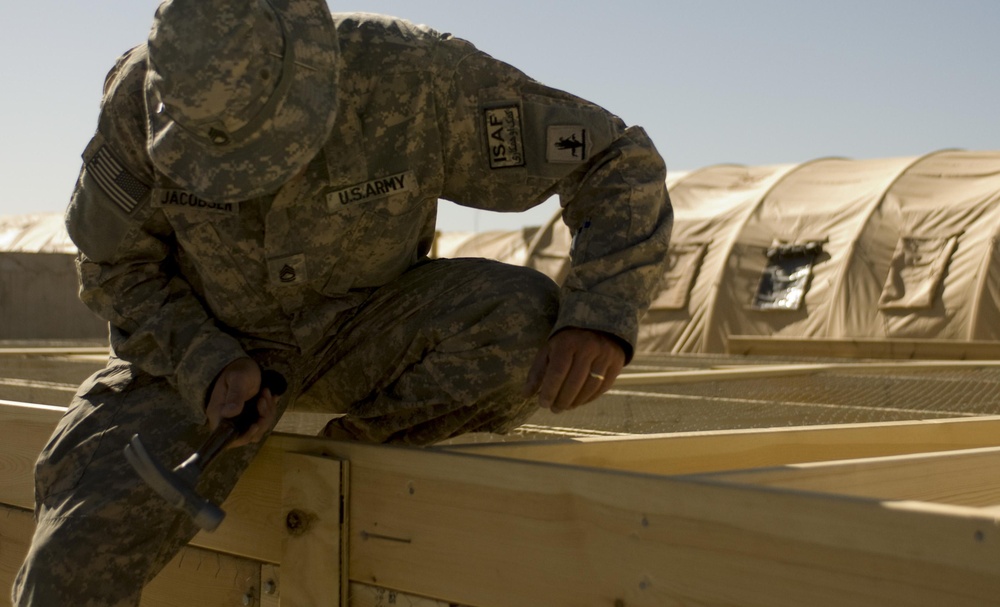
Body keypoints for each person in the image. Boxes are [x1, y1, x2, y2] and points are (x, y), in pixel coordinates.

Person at [12, 0, 672, 604]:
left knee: (524, 321)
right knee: (65, 570)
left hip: (367, 333)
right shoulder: (138, 104)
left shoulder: (409, 76)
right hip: (203, 363)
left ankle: (347, 464)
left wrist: (601, 312)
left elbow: (614, 158)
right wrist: (207, 361)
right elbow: (114, 267)